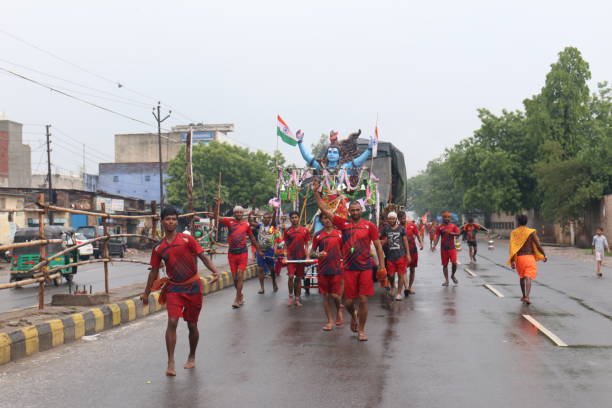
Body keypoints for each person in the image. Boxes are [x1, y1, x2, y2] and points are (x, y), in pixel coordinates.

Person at [141, 206, 220, 376]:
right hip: (174, 288)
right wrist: (146, 293)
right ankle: (171, 361)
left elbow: (203, 257)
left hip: (193, 287)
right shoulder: (159, 248)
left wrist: (215, 271)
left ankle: (192, 356)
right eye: (168, 219)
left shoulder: (187, 239)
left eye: (174, 219)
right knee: (172, 321)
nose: (171, 222)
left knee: (192, 325)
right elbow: (154, 271)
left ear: (177, 222)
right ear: (162, 221)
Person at [312, 178, 386, 341]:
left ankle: (361, 330)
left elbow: (378, 247)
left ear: (361, 210)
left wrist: (382, 266)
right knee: (348, 302)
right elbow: (324, 209)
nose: (355, 212)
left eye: (357, 209)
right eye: (352, 210)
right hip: (349, 268)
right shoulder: (343, 223)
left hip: (365, 268)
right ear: (348, 211)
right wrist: (316, 192)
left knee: (364, 300)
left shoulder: (370, 226)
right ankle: (353, 316)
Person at [219, 205, 261, 309]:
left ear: (243, 214)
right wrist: (217, 205)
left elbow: (252, 238)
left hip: (243, 253)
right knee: (235, 279)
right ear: (234, 213)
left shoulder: (246, 224)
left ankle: (237, 299)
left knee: (240, 275)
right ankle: (240, 295)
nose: (238, 214)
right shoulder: (230, 222)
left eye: (240, 212)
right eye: (236, 212)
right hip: (232, 254)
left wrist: (259, 250)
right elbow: (217, 218)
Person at [312, 213, 345, 330]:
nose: (327, 220)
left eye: (329, 218)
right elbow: (311, 253)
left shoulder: (340, 234)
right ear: (321, 221)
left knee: (335, 296)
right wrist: (318, 254)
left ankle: (339, 310)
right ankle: (330, 321)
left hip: (336, 269)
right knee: (325, 296)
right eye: (325, 218)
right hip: (322, 269)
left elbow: (347, 249)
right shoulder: (317, 236)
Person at [508, 214, 547, 305]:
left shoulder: (514, 232)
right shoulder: (531, 232)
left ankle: (523, 295)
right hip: (529, 258)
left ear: (518, 222)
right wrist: (544, 254)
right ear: (526, 222)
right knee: (528, 276)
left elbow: (513, 248)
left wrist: (513, 260)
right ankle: (527, 296)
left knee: (522, 277)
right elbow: (538, 245)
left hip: (520, 258)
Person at [380, 212, 411, 301]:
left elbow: (405, 242)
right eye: (390, 218)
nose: (392, 220)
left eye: (393, 218)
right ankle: (393, 286)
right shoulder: (385, 228)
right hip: (390, 256)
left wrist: (408, 254)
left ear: (396, 219)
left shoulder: (401, 229)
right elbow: (379, 237)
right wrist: (381, 242)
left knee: (401, 275)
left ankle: (398, 293)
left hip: (401, 255)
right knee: (391, 275)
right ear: (388, 219)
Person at [284, 211, 311, 307]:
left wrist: (307, 256)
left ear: (298, 218)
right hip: (291, 258)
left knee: (298, 279)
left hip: (301, 258)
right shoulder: (287, 231)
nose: (294, 219)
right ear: (290, 219)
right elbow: (285, 245)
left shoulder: (305, 230)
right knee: (291, 276)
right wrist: (284, 256)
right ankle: (290, 297)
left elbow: (307, 245)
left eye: (296, 217)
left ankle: (297, 299)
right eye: (292, 217)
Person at [432, 212, 461, 286]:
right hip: (443, 249)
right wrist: (434, 245)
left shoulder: (453, 226)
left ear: (450, 218)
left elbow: (458, 233)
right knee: (445, 265)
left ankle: (452, 275)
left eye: (448, 217)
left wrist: (451, 233)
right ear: (443, 218)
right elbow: (437, 237)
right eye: (445, 217)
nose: (447, 219)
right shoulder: (440, 227)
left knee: (454, 263)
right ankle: (447, 280)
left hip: (452, 248)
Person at [253, 211, 279, 293]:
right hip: (260, 251)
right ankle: (262, 288)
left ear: (270, 219)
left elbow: (274, 220)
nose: (266, 219)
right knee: (260, 269)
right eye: (265, 218)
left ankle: (274, 283)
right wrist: (250, 215)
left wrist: (274, 211)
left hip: (269, 250)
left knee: (272, 269)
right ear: (262, 219)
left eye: (268, 218)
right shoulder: (259, 226)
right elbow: (250, 222)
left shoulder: (272, 226)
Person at [403, 213, 423, 295]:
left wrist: (421, 243)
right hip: (403, 252)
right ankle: (406, 287)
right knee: (403, 269)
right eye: (400, 218)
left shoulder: (412, 225)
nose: (402, 220)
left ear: (405, 218)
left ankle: (410, 287)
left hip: (413, 250)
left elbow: (417, 234)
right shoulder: (397, 227)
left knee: (412, 269)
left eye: (404, 218)